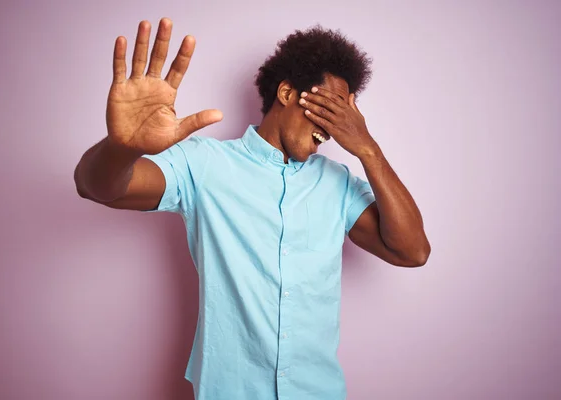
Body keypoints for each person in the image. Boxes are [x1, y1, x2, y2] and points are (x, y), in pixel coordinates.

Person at [74, 17, 431, 400]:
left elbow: (413, 251)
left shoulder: (338, 183)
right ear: (287, 92)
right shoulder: (204, 163)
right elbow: (97, 187)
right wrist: (123, 147)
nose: (334, 127)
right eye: (329, 108)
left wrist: (366, 147)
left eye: (346, 116)